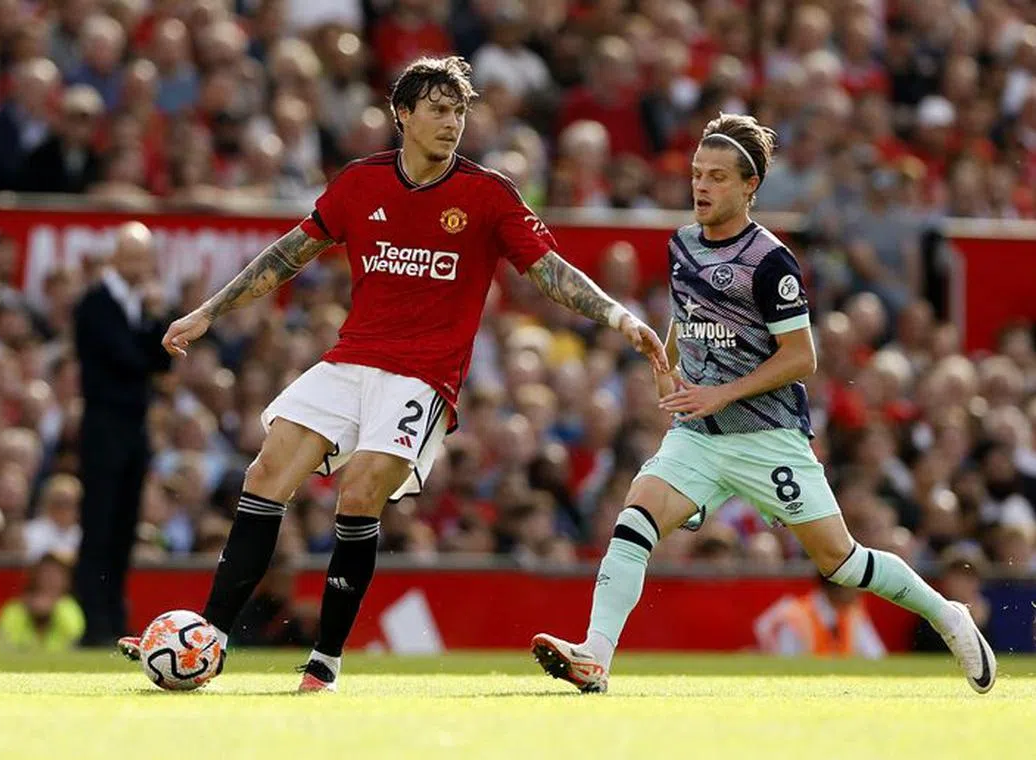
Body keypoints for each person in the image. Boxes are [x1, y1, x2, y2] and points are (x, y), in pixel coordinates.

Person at [117, 56, 668, 692]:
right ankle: (208, 638)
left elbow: (550, 271)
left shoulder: (488, 194)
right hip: (350, 359)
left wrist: (619, 317)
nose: (452, 122)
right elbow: (288, 255)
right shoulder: (360, 183)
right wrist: (210, 311)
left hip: (422, 377)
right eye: (437, 108)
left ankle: (323, 661)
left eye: (459, 110)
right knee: (266, 472)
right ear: (401, 114)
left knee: (358, 494)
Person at [529, 113, 996, 695]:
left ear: (750, 186)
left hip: (767, 437)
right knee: (634, 520)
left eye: (717, 177)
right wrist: (668, 363)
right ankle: (595, 656)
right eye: (697, 174)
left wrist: (719, 392)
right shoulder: (683, 244)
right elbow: (689, 310)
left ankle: (946, 614)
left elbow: (802, 357)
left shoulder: (771, 262)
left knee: (840, 561)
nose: (701, 186)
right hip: (699, 435)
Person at [73, 221, 172, 645]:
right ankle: (93, 618)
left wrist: (154, 322)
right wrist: (149, 333)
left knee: (125, 525)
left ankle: (114, 616)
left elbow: (163, 362)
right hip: (103, 427)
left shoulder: (140, 306)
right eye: (131, 256)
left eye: (143, 257)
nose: (138, 266)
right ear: (116, 257)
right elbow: (129, 360)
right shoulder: (94, 305)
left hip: (134, 429)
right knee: (98, 524)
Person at [754, 575, 887, 659]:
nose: (860, 591)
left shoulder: (853, 614)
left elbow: (876, 657)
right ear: (836, 586)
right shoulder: (795, 617)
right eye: (854, 585)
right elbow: (786, 664)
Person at [0, 551, 86, 652]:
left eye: (56, 575)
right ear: (36, 577)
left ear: (66, 580)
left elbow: (75, 633)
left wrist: (53, 609)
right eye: (46, 574)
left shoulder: (69, 607)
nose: (50, 580)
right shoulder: (15, 609)